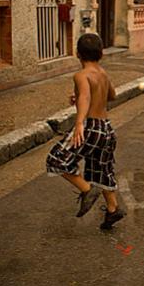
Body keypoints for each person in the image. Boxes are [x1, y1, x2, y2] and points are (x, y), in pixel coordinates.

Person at [46, 33, 125, 230]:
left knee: (56, 159)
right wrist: (81, 94)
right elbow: (112, 95)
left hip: (91, 126)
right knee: (102, 169)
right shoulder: (103, 73)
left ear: (77, 54)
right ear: (101, 54)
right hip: (106, 129)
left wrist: (79, 123)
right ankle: (113, 210)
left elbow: (86, 99)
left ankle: (87, 190)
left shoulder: (81, 75)